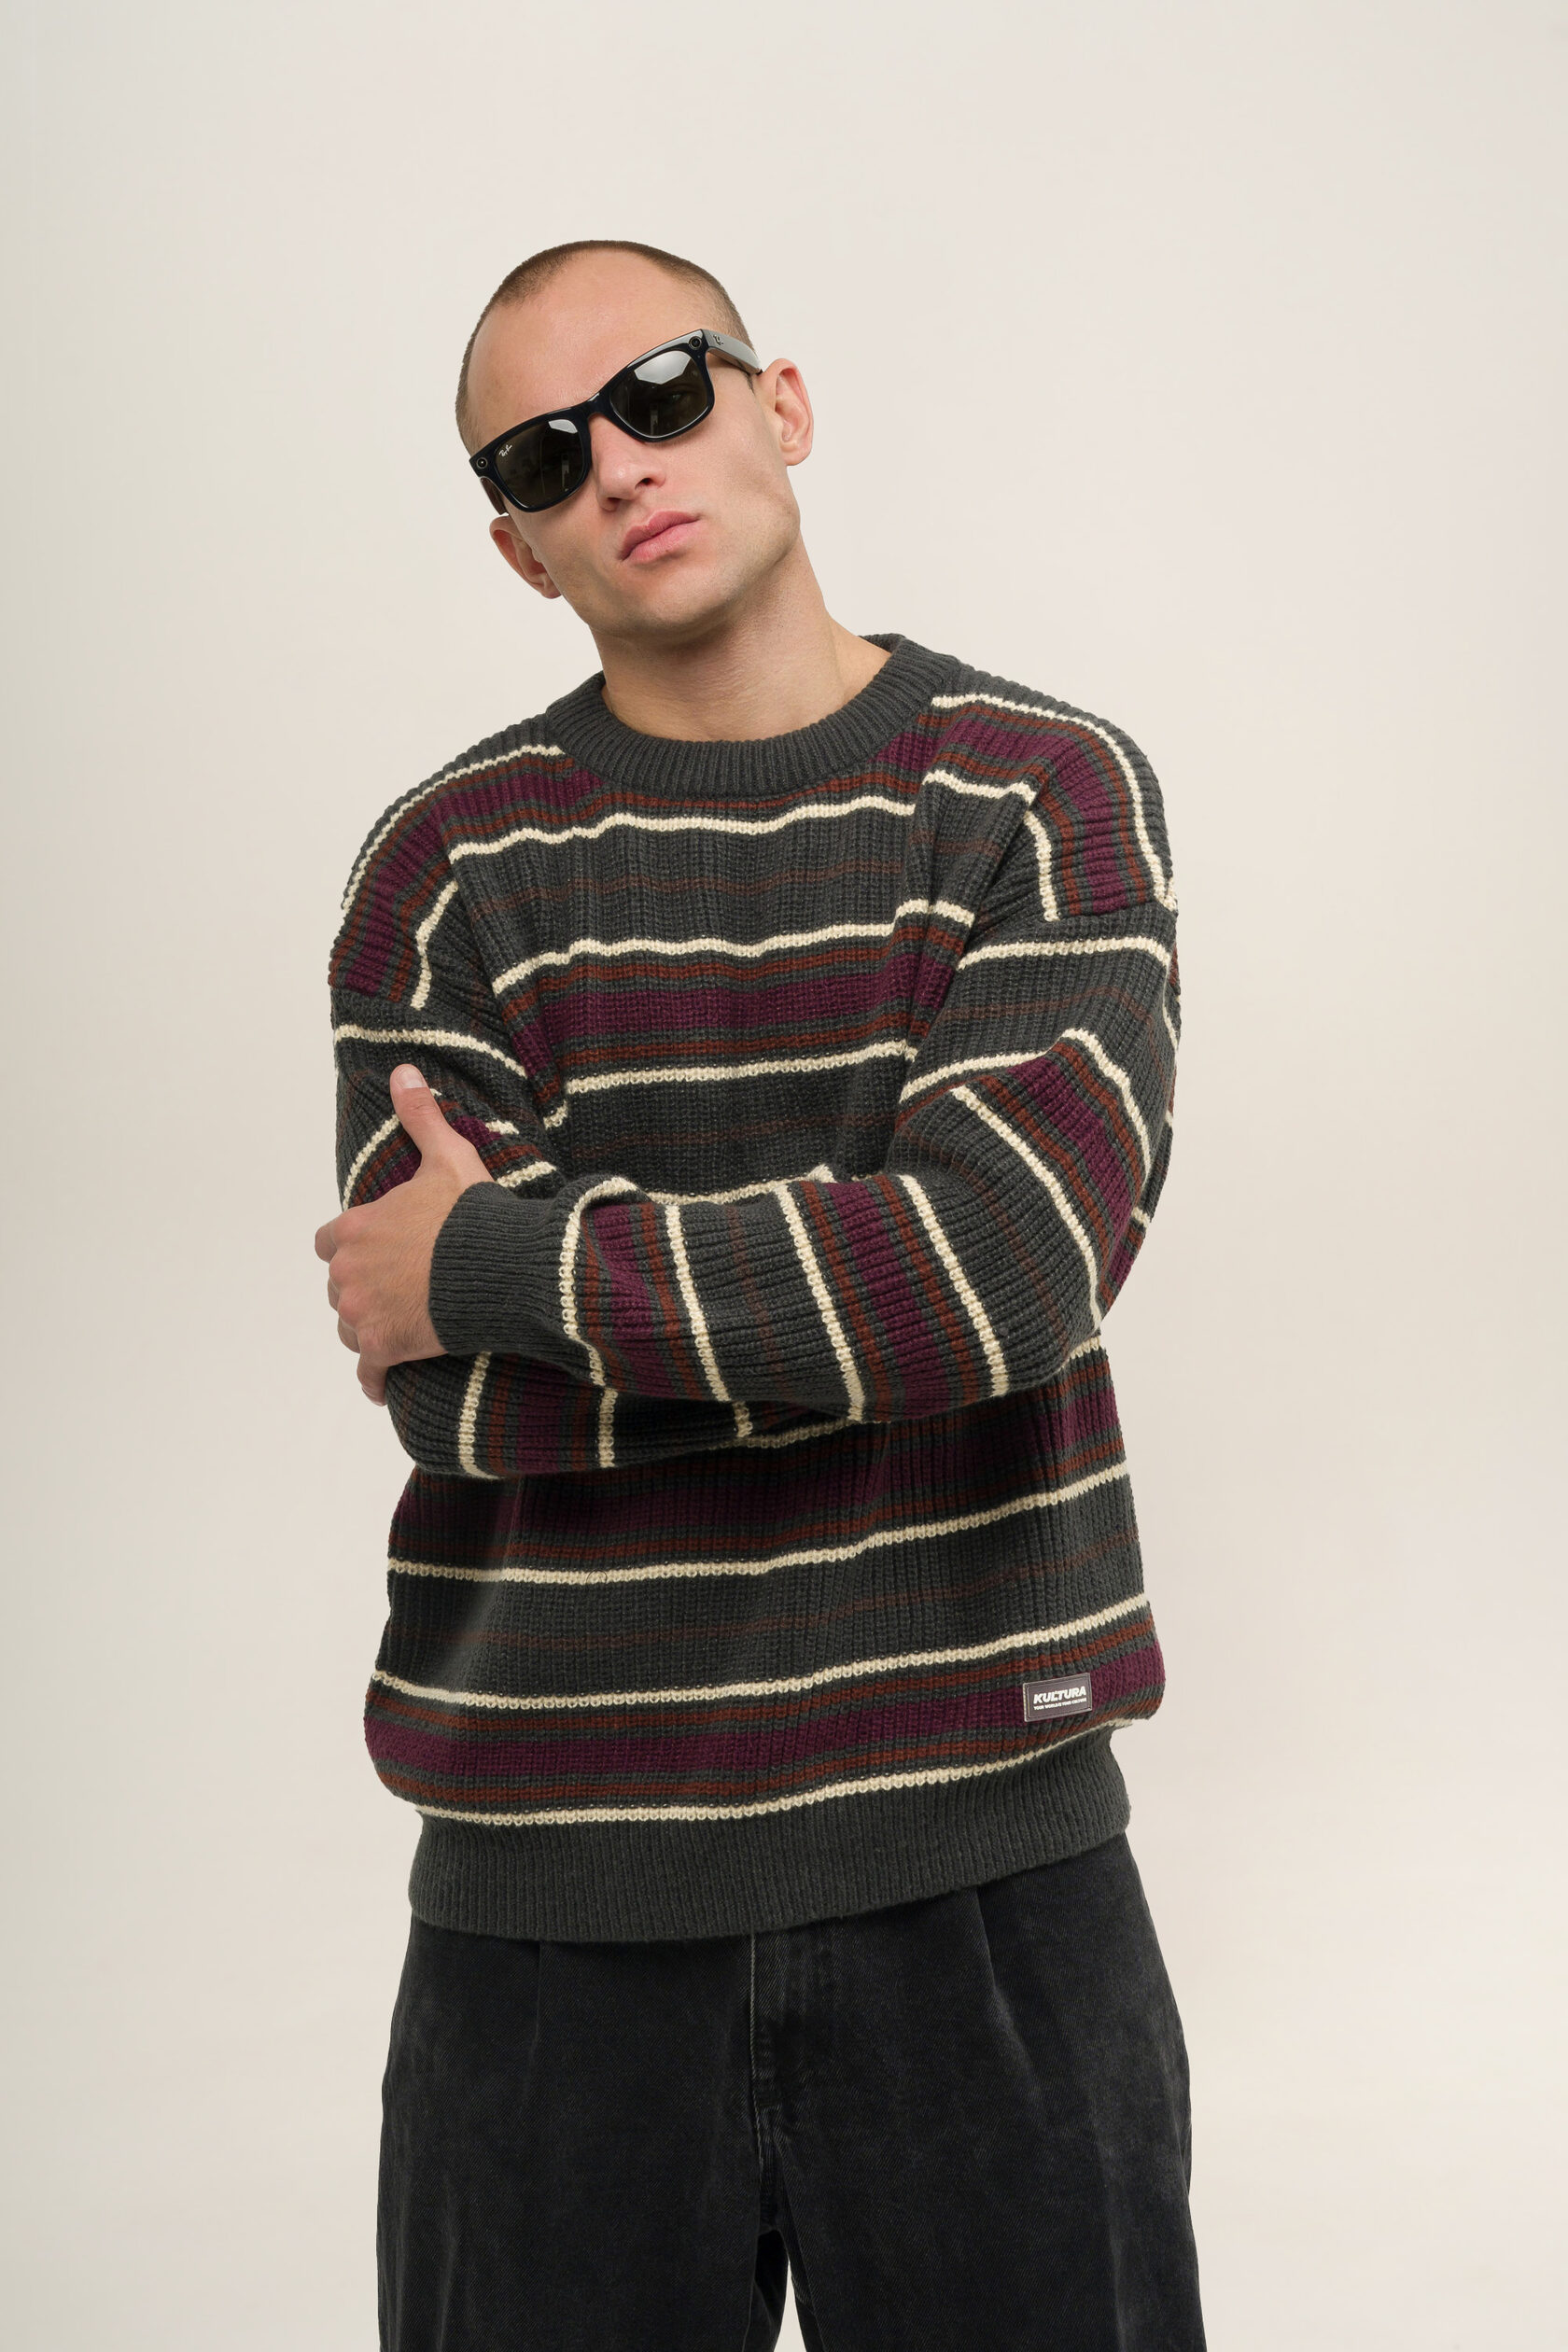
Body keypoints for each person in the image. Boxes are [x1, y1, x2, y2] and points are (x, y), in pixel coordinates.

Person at [315, 237, 1205, 2352]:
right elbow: (449, 1397)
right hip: (547, 1912)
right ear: (518, 546)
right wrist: (855, 1293)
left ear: (778, 402)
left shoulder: (1039, 793)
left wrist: (506, 1262)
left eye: (661, 391)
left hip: (988, 1872)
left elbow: (998, 1279)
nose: (619, 464)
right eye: (542, 456)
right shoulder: (445, 872)